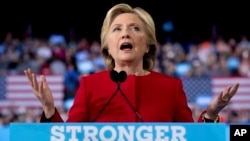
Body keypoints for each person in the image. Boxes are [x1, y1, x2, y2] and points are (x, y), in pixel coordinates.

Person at [24, 3, 239, 123]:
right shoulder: (90, 86)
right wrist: (50, 110)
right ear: (108, 45)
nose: (125, 33)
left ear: (147, 45)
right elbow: (68, 139)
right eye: (117, 29)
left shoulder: (170, 87)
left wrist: (210, 114)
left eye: (135, 28)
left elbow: (190, 139)